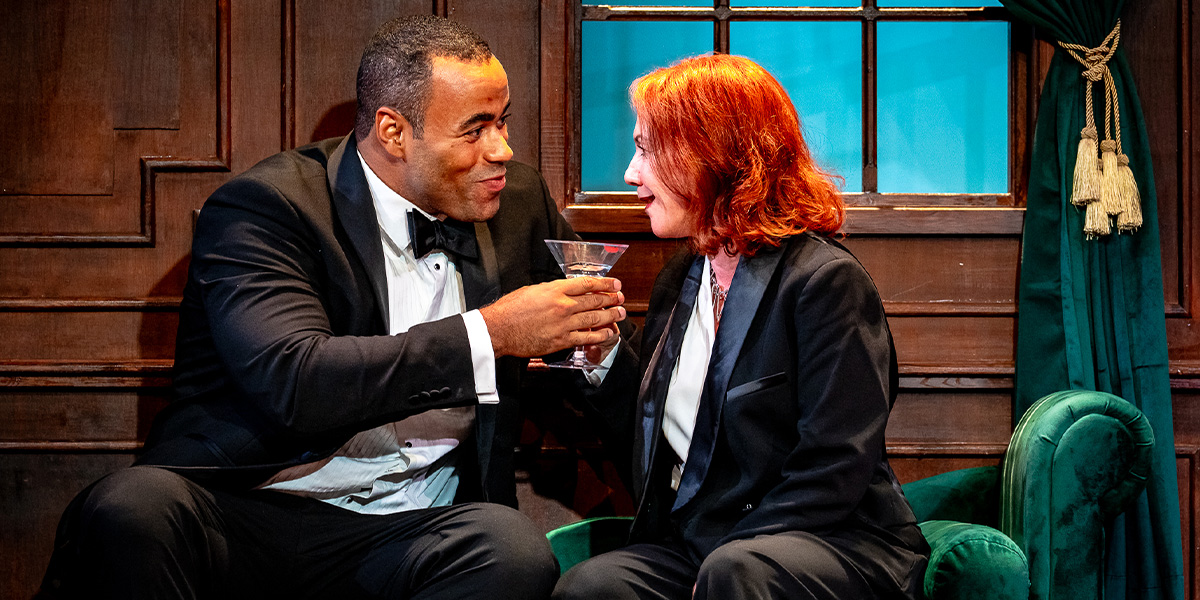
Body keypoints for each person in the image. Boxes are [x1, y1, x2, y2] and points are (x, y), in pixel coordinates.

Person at [38, 15, 626, 600]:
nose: (502, 150)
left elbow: (590, 354)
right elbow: (296, 381)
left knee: (510, 546)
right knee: (131, 507)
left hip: (411, 526)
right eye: (475, 130)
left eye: (502, 122)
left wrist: (595, 344)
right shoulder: (267, 208)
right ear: (393, 132)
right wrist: (491, 334)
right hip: (251, 508)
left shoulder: (517, 198)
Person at [554, 54, 929, 600]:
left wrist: (723, 560)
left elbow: (836, 466)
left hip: (831, 542)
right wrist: (600, 357)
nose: (631, 174)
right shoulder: (680, 279)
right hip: (706, 547)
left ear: (712, 155)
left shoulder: (824, 282)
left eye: (645, 148)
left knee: (738, 571)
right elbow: (658, 438)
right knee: (592, 587)